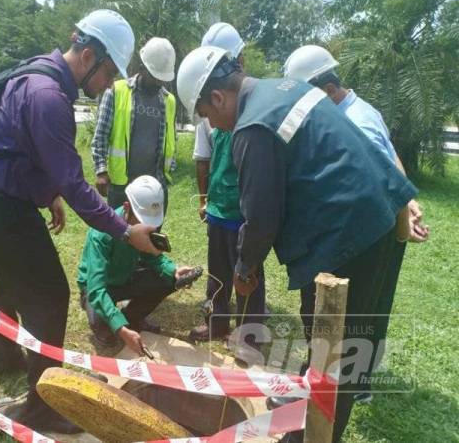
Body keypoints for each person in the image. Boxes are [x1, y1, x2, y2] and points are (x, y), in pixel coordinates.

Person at [176, 45, 418, 443]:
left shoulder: (252, 126)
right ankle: (308, 408)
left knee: (337, 350)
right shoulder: (285, 87)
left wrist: (244, 271)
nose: (214, 126)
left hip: (348, 237)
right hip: (381, 215)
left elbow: (261, 218)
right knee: (332, 344)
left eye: (206, 115)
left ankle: (316, 433)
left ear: (217, 98)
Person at [0, 10, 161, 437]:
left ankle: (8, 360)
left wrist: (46, 192)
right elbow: (75, 184)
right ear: (89, 55)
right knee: (50, 295)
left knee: (5, 282)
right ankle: (40, 408)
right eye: (109, 73)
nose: (109, 84)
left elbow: (20, 147)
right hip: (5, 210)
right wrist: (125, 231)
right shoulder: (50, 96)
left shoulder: (36, 75)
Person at [283, 44, 430, 403]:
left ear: (328, 90)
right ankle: (354, 384)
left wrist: (401, 221)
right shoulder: (360, 108)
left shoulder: (354, 120)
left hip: (374, 228)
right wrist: (409, 200)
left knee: (348, 313)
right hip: (385, 221)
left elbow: (383, 174)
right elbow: (392, 159)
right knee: (371, 306)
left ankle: (335, 388)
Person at [190, 23, 267, 349]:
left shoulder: (255, 106)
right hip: (220, 208)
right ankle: (217, 322)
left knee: (249, 274)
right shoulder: (210, 108)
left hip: (247, 212)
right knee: (218, 274)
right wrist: (205, 198)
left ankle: (249, 335)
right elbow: (203, 159)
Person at [78, 175, 196, 354]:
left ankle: (131, 317)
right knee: (104, 328)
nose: (147, 230)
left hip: (126, 278)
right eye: (142, 222)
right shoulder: (101, 234)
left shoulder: (143, 227)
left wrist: (173, 271)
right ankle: (113, 324)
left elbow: (152, 257)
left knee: (168, 280)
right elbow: (97, 289)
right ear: (126, 208)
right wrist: (121, 329)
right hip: (99, 287)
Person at [92, 37, 177, 211]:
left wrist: (170, 171)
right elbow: (101, 134)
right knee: (119, 235)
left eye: (162, 78)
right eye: (155, 77)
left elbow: (171, 139)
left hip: (155, 186)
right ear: (142, 68)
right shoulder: (116, 91)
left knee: (150, 235)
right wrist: (101, 170)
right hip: (122, 186)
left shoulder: (169, 101)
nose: (159, 83)